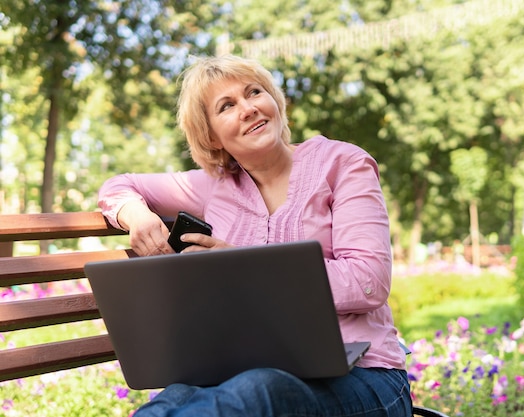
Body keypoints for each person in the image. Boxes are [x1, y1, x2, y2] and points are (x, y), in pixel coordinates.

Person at [98, 54, 411, 417]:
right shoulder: (213, 187)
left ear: (274, 102)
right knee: (175, 396)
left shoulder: (342, 164)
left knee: (258, 391)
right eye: (227, 106)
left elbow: (368, 281)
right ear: (211, 137)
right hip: (244, 370)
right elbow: (119, 185)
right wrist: (135, 215)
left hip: (365, 376)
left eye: (254, 92)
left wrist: (237, 269)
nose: (248, 108)